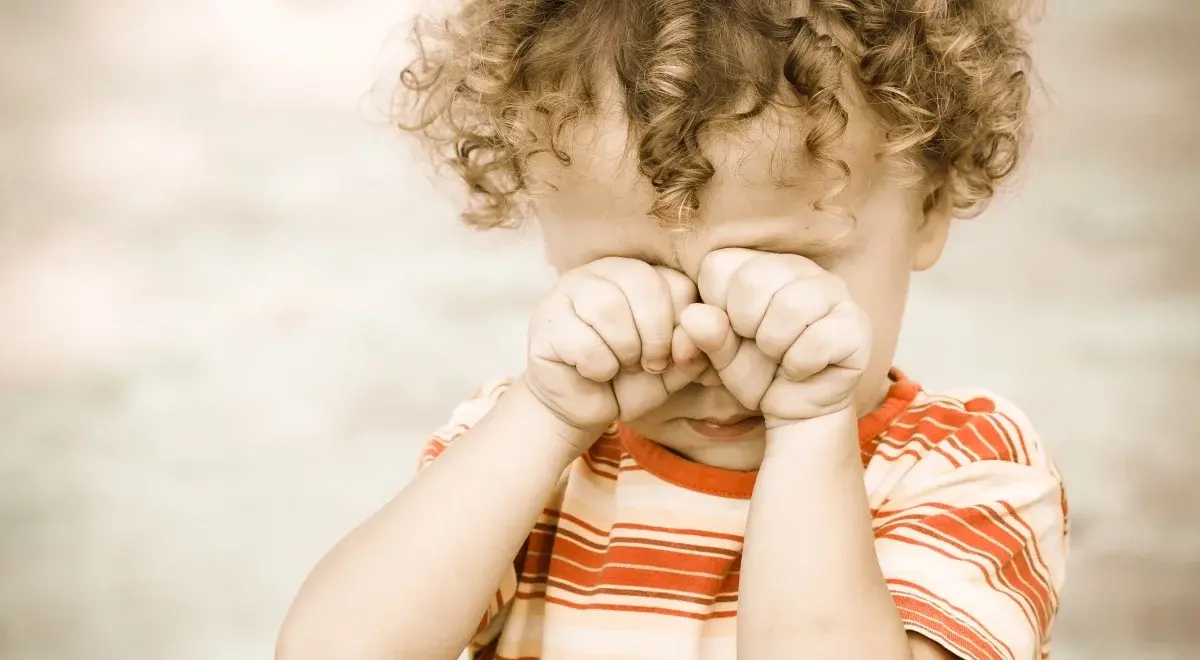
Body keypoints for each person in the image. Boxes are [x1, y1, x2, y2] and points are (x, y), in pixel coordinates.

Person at [277, 1, 1068, 658]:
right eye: (632, 270)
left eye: (777, 269)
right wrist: (542, 419)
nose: (703, 339)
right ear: (550, 232)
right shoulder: (523, 457)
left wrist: (809, 428)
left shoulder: (963, 473)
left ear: (928, 209)